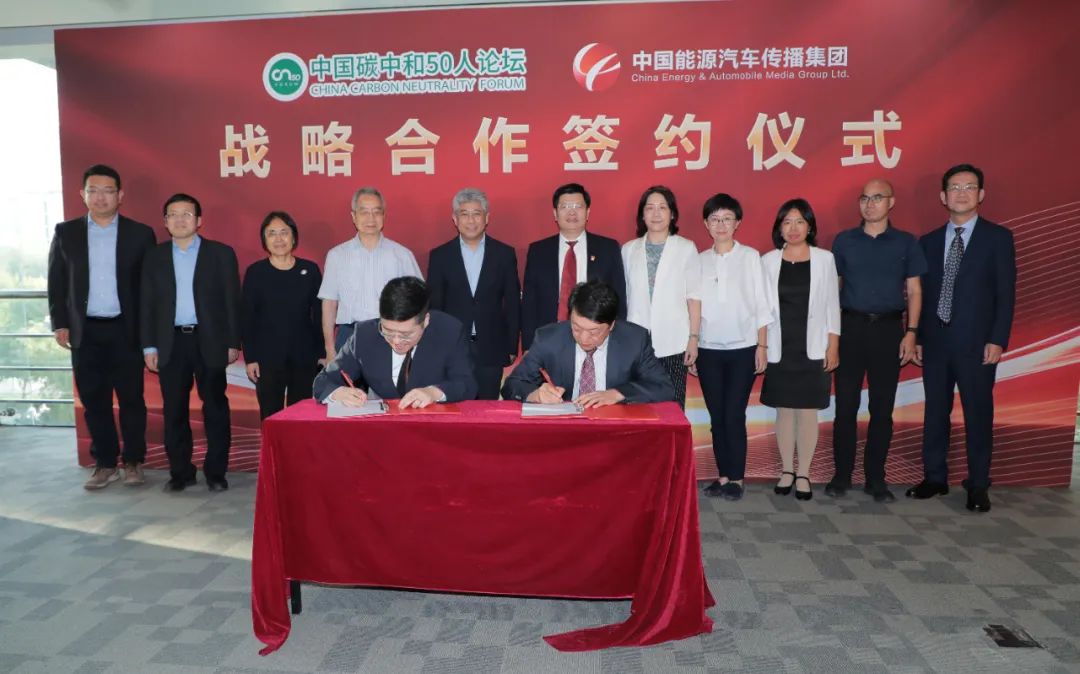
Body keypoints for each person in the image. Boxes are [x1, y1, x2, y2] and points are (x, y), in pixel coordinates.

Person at [909, 164, 1016, 513]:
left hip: (978, 344)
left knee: (978, 413)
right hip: (936, 342)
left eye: (969, 187)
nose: (961, 193)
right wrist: (918, 336)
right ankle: (934, 477)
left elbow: (1006, 293)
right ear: (943, 196)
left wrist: (998, 338)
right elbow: (921, 295)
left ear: (981, 194)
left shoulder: (998, 238)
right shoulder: (927, 242)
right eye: (954, 188)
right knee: (935, 411)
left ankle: (978, 484)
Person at [47, 164, 156, 490]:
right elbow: (56, 282)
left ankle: (133, 460)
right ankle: (105, 462)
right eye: (93, 190)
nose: (100, 197)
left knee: (132, 399)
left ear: (120, 195)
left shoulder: (140, 234)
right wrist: (60, 323)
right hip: (85, 332)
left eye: (107, 191)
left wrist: (149, 332)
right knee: (94, 401)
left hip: (126, 330)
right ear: (82, 195)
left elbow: (151, 288)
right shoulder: (66, 232)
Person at [826, 179, 927, 503]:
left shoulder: (906, 242)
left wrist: (911, 332)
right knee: (845, 406)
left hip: (888, 330)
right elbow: (832, 290)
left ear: (891, 202)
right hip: (850, 328)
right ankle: (842, 475)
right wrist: (831, 335)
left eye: (877, 197)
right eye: (865, 198)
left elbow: (914, 291)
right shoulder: (844, 241)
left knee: (881, 409)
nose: (870, 204)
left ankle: (875, 478)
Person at [140, 193, 242, 492]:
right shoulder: (154, 257)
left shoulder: (221, 254)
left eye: (187, 214)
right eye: (173, 214)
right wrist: (149, 346)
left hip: (210, 340)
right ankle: (181, 472)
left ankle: (216, 472)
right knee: (174, 410)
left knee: (215, 408)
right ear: (165, 221)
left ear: (199, 220)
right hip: (170, 342)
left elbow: (232, 300)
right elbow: (146, 304)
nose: (180, 219)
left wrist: (232, 342)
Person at [694, 194, 773, 502]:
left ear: (737, 222)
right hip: (708, 348)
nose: (721, 225)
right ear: (706, 224)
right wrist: (693, 344)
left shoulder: (750, 257)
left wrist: (762, 345)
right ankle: (723, 475)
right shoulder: (699, 260)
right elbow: (693, 306)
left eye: (727, 218)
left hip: (743, 347)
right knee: (717, 416)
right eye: (715, 219)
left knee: (734, 414)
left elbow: (762, 304)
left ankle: (737, 477)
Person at [760, 199, 840, 501]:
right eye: (787, 222)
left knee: (807, 411)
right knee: (784, 410)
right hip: (780, 346)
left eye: (799, 221)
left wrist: (833, 345)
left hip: (814, 345)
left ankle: (804, 472)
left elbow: (832, 304)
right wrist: (762, 345)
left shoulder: (824, 259)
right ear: (779, 227)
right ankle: (786, 470)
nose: (793, 228)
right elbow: (762, 309)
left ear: (809, 226)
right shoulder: (768, 261)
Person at [502, 280, 674, 406]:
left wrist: (618, 394)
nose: (583, 339)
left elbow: (663, 387)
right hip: (565, 427)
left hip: (615, 427)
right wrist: (536, 395)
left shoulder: (635, 340)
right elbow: (512, 385)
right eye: (576, 328)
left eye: (594, 332)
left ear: (611, 325)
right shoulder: (549, 338)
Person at [313, 276, 478, 406]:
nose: (396, 341)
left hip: (431, 424)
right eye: (388, 331)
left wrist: (433, 393)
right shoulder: (365, 334)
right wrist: (338, 393)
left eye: (406, 334)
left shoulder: (448, 331)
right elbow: (323, 381)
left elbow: (466, 384)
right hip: (382, 427)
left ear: (426, 321)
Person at [427, 188, 520, 399]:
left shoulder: (504, 254)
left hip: (491, 347)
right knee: (455, 406)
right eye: (464, 214)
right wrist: (435, 345)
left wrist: (512, 345)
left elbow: (513, 302)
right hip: (452, 346)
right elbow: (435, 305)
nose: (471, 220)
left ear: (486, 218)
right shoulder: (440, 256)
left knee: (487, 407)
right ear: (455, 219)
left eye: (477, 214)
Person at [318, 186, 422, 360]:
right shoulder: (337, 255)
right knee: (347, 380)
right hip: (349, 336)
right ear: (354, 216)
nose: (371, 218)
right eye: (364, 212)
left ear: (384, 216)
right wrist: (329, 349)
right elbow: (329, 304)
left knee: (389, 380)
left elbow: (418, 301)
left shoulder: (402, 255)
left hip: (392, 336)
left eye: (376, 212)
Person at [621, 185, 702, 408]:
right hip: (636, 343)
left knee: (672, 405)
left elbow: (694, 297)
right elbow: (625, 296)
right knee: (638, 406)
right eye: (650, 208)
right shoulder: (628, 249)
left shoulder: (686, 247)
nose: (656, 213)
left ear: (672, 214)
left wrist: (693, 339)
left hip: (674, 341)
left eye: (662, 207)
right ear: (642, 215)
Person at [520, 183, 626, 350]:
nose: (572, 212)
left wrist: (616, 342)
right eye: (565, 207)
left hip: (595, 339)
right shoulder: (538, 251)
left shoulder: (608, 248)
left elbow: (618, 298)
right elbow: (529, 303)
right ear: (555, 213)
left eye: (578, 206)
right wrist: (528, 346)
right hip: (549, 339)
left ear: (587, 212)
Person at [241, 211, 323, 419]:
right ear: (264, 240)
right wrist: (250, 358)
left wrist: (322, 353)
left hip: (304, 356)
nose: (278, 239)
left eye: (284, 232)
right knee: (271, 416)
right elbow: (247, 318)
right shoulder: (255, 272)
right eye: (272, 233)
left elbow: (319, 314)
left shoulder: (310, 270)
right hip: (267, 358)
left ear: (293, 237)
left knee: (302, 415)